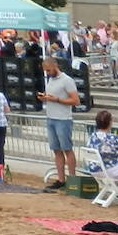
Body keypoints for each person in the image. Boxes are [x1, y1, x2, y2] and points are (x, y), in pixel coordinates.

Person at [38, 57, 81, 191]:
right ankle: (61, 179)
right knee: (56, 150)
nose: (48, 73)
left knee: (67, 149)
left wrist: (56, 100)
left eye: (49, 70)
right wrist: (45, 98)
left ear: (55, 66)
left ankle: (72, 178)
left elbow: (76, 101)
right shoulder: (50, 80)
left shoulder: (67, 80)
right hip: (51, 117)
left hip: (63, 119)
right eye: (46, 71)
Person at [86, 109, 118, 181]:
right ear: (110, 122)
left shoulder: (92, 136)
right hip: (111, 171)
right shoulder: (113, 138)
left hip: (95, 170)